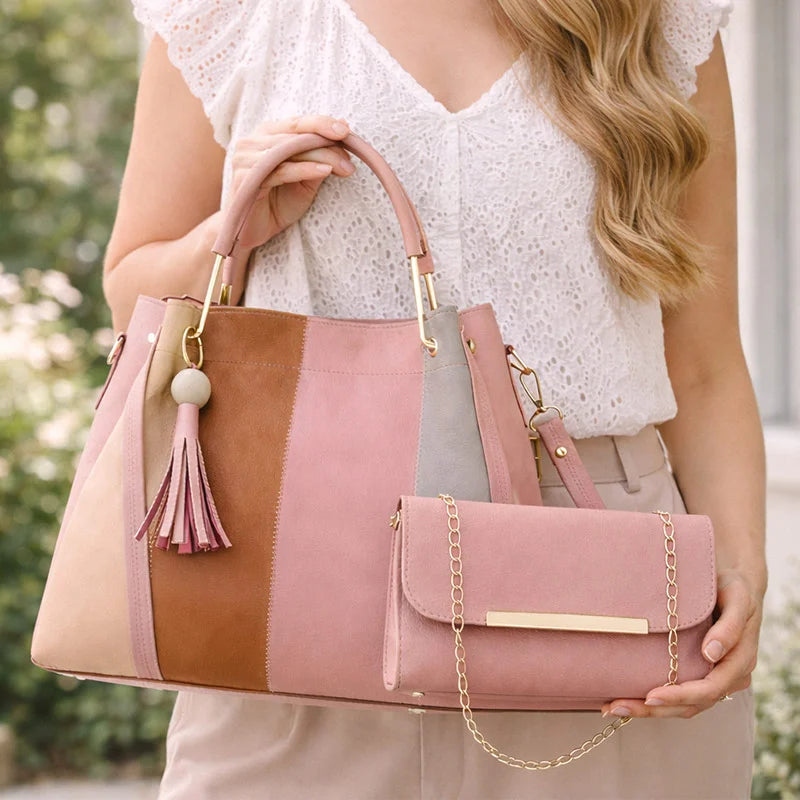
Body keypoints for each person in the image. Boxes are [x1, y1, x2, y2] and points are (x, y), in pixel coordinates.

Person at [103, 0, 766, 797]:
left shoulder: (657, 17)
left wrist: (738, 564)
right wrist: (235, 230)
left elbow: (702, 359)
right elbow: (130, 295)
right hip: (306, 564)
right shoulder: (229, 15)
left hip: (601, 576)